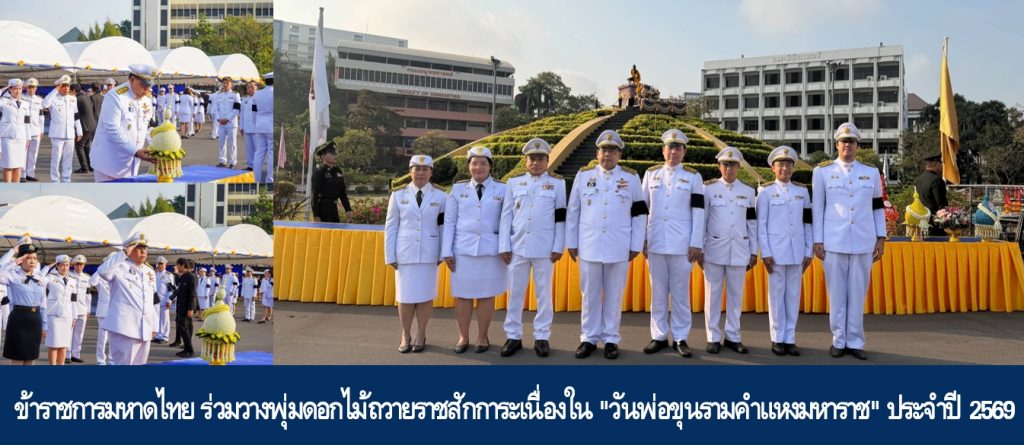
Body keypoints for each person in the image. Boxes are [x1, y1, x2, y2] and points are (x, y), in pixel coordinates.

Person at [566, 130, 647, 360]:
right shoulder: (584, 176)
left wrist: (636, 244)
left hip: (619, 246)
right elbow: (574, 211)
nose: (607, 154)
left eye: (612, 150)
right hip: (589, 245)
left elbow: (639, 214)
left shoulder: (631, 178)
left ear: (619, 154)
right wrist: (572, 242)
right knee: (589, 295)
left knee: (614, 294)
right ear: (597, 153)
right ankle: (588, 338)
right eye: (603, 150)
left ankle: (611, 338)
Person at [812, 122, 886, 360]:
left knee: (857, 293)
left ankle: (855, 341)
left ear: (858, 146)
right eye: (843, 142)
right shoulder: (822, 171)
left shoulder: (871, 173)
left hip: (863, 240)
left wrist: (881, 237)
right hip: (834, 241)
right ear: (836, 145)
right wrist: (818, 240)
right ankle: (838, 339)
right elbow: (818, 208)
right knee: (837, 293)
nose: (847, 146)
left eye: (852, 142)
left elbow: (877, 207)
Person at [497, 138, 566, 358]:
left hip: (545, 249)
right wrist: (504, 245)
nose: (536, 163)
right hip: (517, 247)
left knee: (544, 295)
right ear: (526, 161)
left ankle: (542, 336)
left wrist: (558, 245)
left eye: (540, 159)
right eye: (532, 159)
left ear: (547, 161)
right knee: (515, 293)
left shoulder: (558, 184)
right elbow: (506, 216)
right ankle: (513, 335)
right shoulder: (514, 183)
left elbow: (561, 218)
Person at [640, 129, 705, 358]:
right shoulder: (651, 175)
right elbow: (641, 210)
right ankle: (658, 335)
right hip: (655, 241)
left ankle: (680, 337)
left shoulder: (693, 177)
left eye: (678, 148)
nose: (673, 151)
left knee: (680, 293)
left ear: (684, 152)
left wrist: (696, 242)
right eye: (670, 147)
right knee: (657, 292)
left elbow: (699, 211)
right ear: (663, 150)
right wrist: (642, 239)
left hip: (682, 244)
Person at [442, 146, 507, 354]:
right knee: (463, 296)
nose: (478, 167)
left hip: (491, 251)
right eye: (474, 163)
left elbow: (507, 221)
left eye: (483, 163)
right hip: (463, 250)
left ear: (490, 166)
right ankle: (463, 336)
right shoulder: (458, 189)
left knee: (487, 296)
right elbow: (449, 221)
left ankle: (482, 336)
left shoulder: (503, 189)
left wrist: (506, 247)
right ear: (468, 166)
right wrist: (447, 250)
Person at [384, 155, 446, 353]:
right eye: (416, 169)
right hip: (405, 253)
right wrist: (390, 255)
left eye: (425, 169)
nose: (420, 173)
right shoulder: (398, 195)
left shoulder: (441, 196)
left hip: (429, 253)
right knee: (405, 296)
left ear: (431, 172)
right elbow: (391, 226)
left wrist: (443, 252)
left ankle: (421, 333)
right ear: (410, 171)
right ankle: (405, 333)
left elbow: (444, 226)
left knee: (426, 296)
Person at [756, 146, 812, 356]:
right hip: (776, 253)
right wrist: (766, 253)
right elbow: (761, 225)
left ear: (793, 168)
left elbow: (808, 223)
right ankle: (777, 337)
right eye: (780, 165)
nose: (785, 169)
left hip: (797, 251)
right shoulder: (766, 192)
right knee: (777, 297)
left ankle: (790, 337)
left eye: (788, 165)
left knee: (793, 296)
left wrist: (809, 251)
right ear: (773, 168)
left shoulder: (802, 191)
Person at [701, 146, 758, 354]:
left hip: (740, 250)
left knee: (735, 296)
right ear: (719, 166)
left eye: (733, 164)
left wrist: (754, 251)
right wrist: (699, 247)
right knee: (713, 296)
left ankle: (733, 336)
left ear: (738, 167)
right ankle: (713, 336)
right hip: (714, 249)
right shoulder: (708, 189)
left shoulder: (748, 191)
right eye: (725, 164)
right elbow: (702, 220)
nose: (729, 168)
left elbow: (752, 223)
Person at [95, 233, 158, 365]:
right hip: (124, 327)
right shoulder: (119, 267)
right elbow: (102, 272)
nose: (143, 252)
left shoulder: (149, 271)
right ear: (129, 249)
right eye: (138, 248)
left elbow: (150, 300)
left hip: (144, 327)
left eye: (145, 249)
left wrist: (154, 325)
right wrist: (123, 253)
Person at [90, 64, 159, 181]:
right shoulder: (115, 96)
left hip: (131, 165)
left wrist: (160, 144)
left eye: (149, 86)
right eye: (144, 85)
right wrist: (136, 151)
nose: (147, 90)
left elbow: (145, 128)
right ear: (132, 79)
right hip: (109, 164)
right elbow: (112, 129)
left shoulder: (146, 100)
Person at [0, 239, 47, 365]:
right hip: (19, 319)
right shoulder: (13, 275)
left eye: (35, 258)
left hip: (35, 320)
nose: (32, 261)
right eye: (28, 258)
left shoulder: (40, 279)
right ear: (21, 260)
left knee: (31, 358)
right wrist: (14, 260)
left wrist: (45, 326)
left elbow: (43, 305)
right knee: (18, 358)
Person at [42, 75, 83, 183]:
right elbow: (44, 104)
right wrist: (55, 90)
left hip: (70, 133)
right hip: (57, 134)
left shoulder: (72, 99)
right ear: (59, 87)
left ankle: (66, 179)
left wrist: (79, 130)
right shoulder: (53, 99)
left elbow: (76, 115)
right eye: (63, 86)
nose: (66, 88)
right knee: (56, 158)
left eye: (67, 86)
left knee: (68, 158)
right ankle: (55, 179)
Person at [43, 255, 75, 365]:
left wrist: (74, 316)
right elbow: (40, 279)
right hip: (53, 315)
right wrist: (48, 267)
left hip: (67, 316)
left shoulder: (72, 280)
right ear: (57, 266)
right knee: (53, 344)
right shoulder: (51, 277)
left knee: (64, 344)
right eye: (62, 265)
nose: (65, 267)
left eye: (67, 265)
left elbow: (73, 300)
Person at [310, 140, 352, 223]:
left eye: (335, 153)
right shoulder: (320, 172)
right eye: (332, 154)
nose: (335, 156)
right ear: (323, 156)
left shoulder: (338, 172)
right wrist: (316, 215)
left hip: (334, 209)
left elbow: (342, 194)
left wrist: (348, 209)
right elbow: (314, 195)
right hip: (322, 209)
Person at [0, 78, 30, 183]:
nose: (17, 91)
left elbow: (27, 122)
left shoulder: (26, 103)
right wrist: (4, 88)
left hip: (21, 137)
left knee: (18, 166)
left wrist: (28, 138)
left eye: (20, 88)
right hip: (7, 137)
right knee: (8, 165)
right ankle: (7, 187)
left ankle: (16, 186)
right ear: (10, 90)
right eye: (15, 88)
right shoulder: (3, 101)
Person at [168, 258, 197, 357]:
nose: (177, 267)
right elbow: (180, 291)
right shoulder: (183, 276)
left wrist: (191, 309)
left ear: (183, 265)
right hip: (180, 306)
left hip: (186, 308)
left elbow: (192, 294)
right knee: (182, 328)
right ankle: (186, 349)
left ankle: (189, 350)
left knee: (184, 328)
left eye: (178, 265)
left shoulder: (190, 277)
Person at [211, 77, 241, 168]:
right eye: (224, 83)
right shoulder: (218, 95)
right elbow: (215, 108)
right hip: (221, 123)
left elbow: (236, 109)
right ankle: (222, 161)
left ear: (231, 84)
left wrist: (227, 119)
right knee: (221, 143)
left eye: (227, 83)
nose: (225, 84)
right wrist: (219, 119)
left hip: (231, 123)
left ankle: (232, 162)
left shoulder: (235, 95)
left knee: (232, 144)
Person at [68, 255, 91, 363]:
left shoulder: (87, 278)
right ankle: (67, 354)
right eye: (77, 264)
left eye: (81, 264)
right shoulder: (68, 275)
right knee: (69, 332)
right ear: (73, 265)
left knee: (79, 333)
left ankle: (75, 354)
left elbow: (88, 295)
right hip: (70, 308)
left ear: (84, 266)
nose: (79, 266)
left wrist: (88, 309)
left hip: (82, 308)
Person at [252, 72, 274, 183]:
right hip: (271, 124)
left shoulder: (257, 94)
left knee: (259, 153)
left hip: (259, 124)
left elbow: (254, 111)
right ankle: (270, 179)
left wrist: (255, 124)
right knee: (271, 153)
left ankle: (256, 179)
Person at [21, 78, 44, 182]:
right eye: (29, 87)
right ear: (26, 88)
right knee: (23, 152)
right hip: (23, 130)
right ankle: (22, 174)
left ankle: (30, 173)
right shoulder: (21, 98)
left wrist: (41, 130)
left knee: (33, 153)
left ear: (36, 88)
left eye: (33, 87)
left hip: (35, 130)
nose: (31, 89)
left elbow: (41, 116)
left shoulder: (39, 100)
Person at [89, 266, 112, 364]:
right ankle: (101, 360)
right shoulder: (101, 276)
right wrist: (100, 270)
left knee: (114, 338)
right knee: (102, 338)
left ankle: (112, 360)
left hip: (116, 311)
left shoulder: (120, 275)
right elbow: (92, 282)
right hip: (103, 311)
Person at [75, 83, 98, 173]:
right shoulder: (87, 97)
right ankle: (90, 166)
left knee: (79, 146)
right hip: (92, 124)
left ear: (73, 90)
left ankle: (84, 168)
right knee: (86, 146)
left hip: (85, 125)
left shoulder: (77, 99)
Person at [154, 256, 175, 344]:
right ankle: (158, 335)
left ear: (165, 265)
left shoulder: (168, 275)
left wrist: (169, 300)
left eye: (162, 264)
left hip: (164, 299)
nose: (160, 266)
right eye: (159, 264)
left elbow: (171, 289)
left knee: (165, 319)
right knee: (157, 318)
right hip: (156, 299)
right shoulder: (155, 274)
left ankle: (165, 337)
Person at [239, 81, 258, 171]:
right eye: (248, 87)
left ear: (256, 87)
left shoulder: (259, 98)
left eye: (252, 87)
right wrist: (241, 127)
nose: (249, 89)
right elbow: (242, 114)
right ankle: (250, 165)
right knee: (249, 148)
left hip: (256, 128)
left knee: (257, 149)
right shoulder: (244, 99)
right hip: (247, 127)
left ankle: (257, 166)